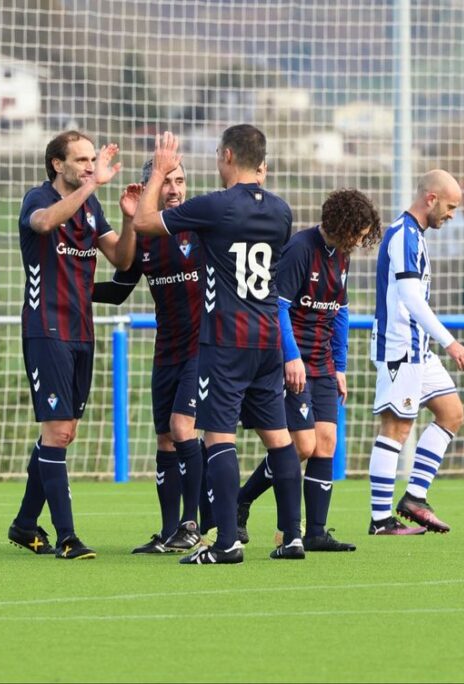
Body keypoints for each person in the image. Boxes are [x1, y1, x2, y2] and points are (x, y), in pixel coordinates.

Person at [133, 127, 304, 564]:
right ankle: (292, 537)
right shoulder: (283, 212)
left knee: (217, 437)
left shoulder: (214, 205)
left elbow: (145, 223)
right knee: (279, 439)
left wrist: (160, 171)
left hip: (226, 338)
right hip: (268, 337)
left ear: (227, 155)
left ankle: (226, 542)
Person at [7, 130, 136, 560]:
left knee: (63, 434)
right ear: (56, 164)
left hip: (82, 331)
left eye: (91, 159)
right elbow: (44, 223)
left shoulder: (92, 206)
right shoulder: (37, 198)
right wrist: (90, 185)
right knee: (58, 431)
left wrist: (132, 218)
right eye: (80, 159)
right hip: (46, 329)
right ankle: (67, 537)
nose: (88, 165)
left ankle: (26, 524)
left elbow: (120, 258)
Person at [236, 189, 382, 552]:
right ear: (344, 225)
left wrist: (341, 367)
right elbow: (278, 307)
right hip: (293, 361)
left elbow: (341, 312)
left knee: (326, 441)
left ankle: (316, 532)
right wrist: (291, 357)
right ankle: (242, 500)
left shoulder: (342, 256)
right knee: (302, 445)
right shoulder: (301, 248)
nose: (363, 240)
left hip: (323, 362)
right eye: (360, 232)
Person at [91, 159, 206, 554]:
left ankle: (194, 524)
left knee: (181, 427)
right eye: (166, 183)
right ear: (148, 190)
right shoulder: (144, 235)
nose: (174, 189)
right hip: (167, 349)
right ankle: (170, 530)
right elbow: (120, 288)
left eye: (180, 181)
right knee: (164, 439)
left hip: (202, 348)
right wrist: (72, 287)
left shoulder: (201, 225)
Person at [367, 169, 464, 535]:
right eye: (449, 206)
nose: (451, 215)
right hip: (400, 348)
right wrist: (450, 341)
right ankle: (381, 519)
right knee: (396, 427)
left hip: (419, 349)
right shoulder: (402, 235)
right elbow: (411, 299)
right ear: (431, 198)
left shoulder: (415, 235)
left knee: (451, 412)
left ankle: (414, 498)